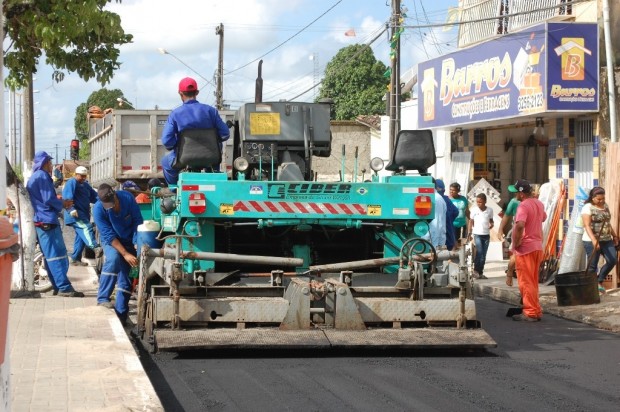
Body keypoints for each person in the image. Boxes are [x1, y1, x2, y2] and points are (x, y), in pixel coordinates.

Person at [26, 151, 84, 297]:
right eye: (50, 163)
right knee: (57, 255)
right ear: (45, 163)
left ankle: (58, 286)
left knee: (50, 256)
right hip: (46, 220)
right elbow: (48, 199)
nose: (51, 165)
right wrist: (63, 203)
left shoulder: (34, 177)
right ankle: (64, 287)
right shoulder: (42, 176)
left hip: (41, 220)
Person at [161, 77, 230, 185]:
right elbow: (225, 134)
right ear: (197, 92)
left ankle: (175, 189)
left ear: (180, 93)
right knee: (217, 148)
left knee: (165, 163)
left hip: (184, 158)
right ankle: (213, 173)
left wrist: (177, 145)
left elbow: (166, 140)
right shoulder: (211, 111)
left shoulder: (175, 114)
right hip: (211, 158)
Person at [93, 183, 144, 324]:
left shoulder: (127, 198)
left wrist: (136, 243)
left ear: (115, 194)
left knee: (128, 275)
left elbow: (137, 221)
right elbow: (108, 235)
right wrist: (125, 253)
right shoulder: (98, 210)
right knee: (114, 259)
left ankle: (121, 314)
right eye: (107, 205)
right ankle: (103, 298)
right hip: (112, 241)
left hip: (129, 239)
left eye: (111, 203)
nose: (110, 207)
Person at [511, 179, 546, 321]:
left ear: (521, 193)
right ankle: (535, 310)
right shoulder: (539, 203)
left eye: (515, 193)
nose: (514, 196)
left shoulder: (523, 206)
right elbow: (543, 218)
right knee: (533, 281)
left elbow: (520, 225)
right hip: (537, 247)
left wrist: (517, 241)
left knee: (526, 282)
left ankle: (530, 312)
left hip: (525, 248)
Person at [581, 186, 619, 293]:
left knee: (612, 260)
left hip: (606, 239)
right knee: (593, 265)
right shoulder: (587, 207)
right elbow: (587, 226)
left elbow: (607, 223)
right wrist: (593, 240)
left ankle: (599, 280)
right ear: (593, 198)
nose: (601, 201)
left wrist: (615, 236)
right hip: (591, 240)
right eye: (599, 199)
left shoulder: (605, 206)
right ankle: (590, 289)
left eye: (603, 198)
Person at [62, 165, 101, 266]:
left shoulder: (86, 185)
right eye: (81, 176)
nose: (83, 178)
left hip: (83, 214)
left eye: (85, 176)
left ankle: (75, 258)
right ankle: (95, 247)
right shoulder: (72, 182)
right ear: (76, 174)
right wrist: (71, 208)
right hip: (75, 214)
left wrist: (103, 202)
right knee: (86, 228)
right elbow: (67, 196)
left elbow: (94, 197)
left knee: (81, 237)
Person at [498, 186, 521, 286]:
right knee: (515, 254)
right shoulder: (514, 202)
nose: (514, 194)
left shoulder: (533, 202)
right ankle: (510, 272)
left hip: (531, 235)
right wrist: (500, 230)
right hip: (518, 232)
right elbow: (506, 216)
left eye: (516, 192)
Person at [467, 193, 493, 279]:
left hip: (486, 235)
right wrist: (469, 232)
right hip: (477, 234)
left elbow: (491, 220)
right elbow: (471, 221)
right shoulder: (474, 210)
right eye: (477, 202)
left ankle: (480, 272)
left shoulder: (489, 210)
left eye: (480, 202)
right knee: (479, 252)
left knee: (483, 255)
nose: (478, 204)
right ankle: (475, 271)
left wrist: (491, 224)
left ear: (485, 202)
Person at [435, 179, 459, 250]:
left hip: (436, 237)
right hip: (448, 233)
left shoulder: (433, 199)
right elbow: (455, 212)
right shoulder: (446, 199)